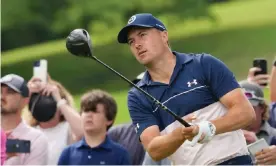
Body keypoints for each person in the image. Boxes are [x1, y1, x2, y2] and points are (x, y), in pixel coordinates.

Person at [117, 13, 256, 165]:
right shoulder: (138, 96)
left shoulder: (204, 64)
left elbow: (245, 113)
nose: (137, 44)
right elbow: (154, 150)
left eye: (142, 35)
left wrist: (207, 127)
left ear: (164, 36)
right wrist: (180, 134)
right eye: (131, 41)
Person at [58, 89, 131, 165]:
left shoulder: (120, 154)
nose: (89, 115)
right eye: (86, 111)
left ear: (109, 120)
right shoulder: (68, 153)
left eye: (95, 111)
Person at [25, 75, 83, 165]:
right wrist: (25, 96)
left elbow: (84, 132)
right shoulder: (28, 131)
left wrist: (58, 98)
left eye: (49, 99)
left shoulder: (68, 129)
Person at [1, 74, 48, 165]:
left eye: (10, 92)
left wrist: (12, 159)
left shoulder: (35, 139)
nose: (2, 97)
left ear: (25, 101)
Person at [239, 80, 276, 164]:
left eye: (251, 108)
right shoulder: (224, 138)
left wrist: (256, 143)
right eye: (241, 108)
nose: (245, 113)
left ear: (262, 108)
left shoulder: (274, 136)